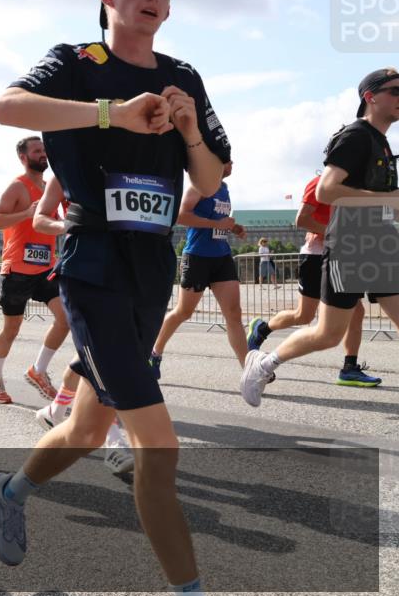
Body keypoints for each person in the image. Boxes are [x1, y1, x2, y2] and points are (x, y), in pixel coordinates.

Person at [0, 0, 229, 596]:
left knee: (90, 429)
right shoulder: (75, 61)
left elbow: (209, 182)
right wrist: (111, 113)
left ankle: (9, 492)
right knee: (161, 447)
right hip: (93, 264)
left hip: (153, 266)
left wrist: (187, 130)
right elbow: (7, 108)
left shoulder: (183, 77)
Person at [240, 67, 399, 407]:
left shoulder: (382, 143)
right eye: (395, 91)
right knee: (328, 334)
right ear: (370, 97)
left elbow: (384, 201)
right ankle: (263, 363)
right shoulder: (356, 136)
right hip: (350, 248)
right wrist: (388, 200)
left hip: (381, 246)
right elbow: (327, 190)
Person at [31, 176, 135, 474]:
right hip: (83, 268)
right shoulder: (65, 172)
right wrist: (64, 226)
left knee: (95, 353)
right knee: (102, 354)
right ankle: (114, 444)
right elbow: (40, 219)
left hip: (128, 267)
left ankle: (55, 410)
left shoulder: (127, 165)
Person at [245, 174, 382, 387]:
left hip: (344, 256)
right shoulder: (321, 182)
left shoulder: (357, 186)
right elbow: (302, 219)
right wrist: (334, 233)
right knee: (304, 315)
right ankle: (262, 329)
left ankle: (349, 368)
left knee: (357, 312)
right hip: (316, 256)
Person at [0, 136, 70, 404]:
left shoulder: (50, 187)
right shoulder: (17, 187)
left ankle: (38, 370)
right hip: (17, 269)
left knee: (66, 318)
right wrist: (26, 213)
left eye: (45, 150)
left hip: (46, 268)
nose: (43, 154)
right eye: (37, 151)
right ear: (23, 157)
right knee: (12, 329)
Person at [150, 162, 249, 373]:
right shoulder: (199, 186)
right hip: (197, 256)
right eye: (228, 159)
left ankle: (249, 369)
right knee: (183, 312)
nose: (232, 163)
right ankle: (155, 352)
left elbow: (218, 219)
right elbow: (180, 216)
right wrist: (216, 225)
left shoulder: (224, 188)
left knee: (234, 314)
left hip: (222, 256)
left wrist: (233, 227)